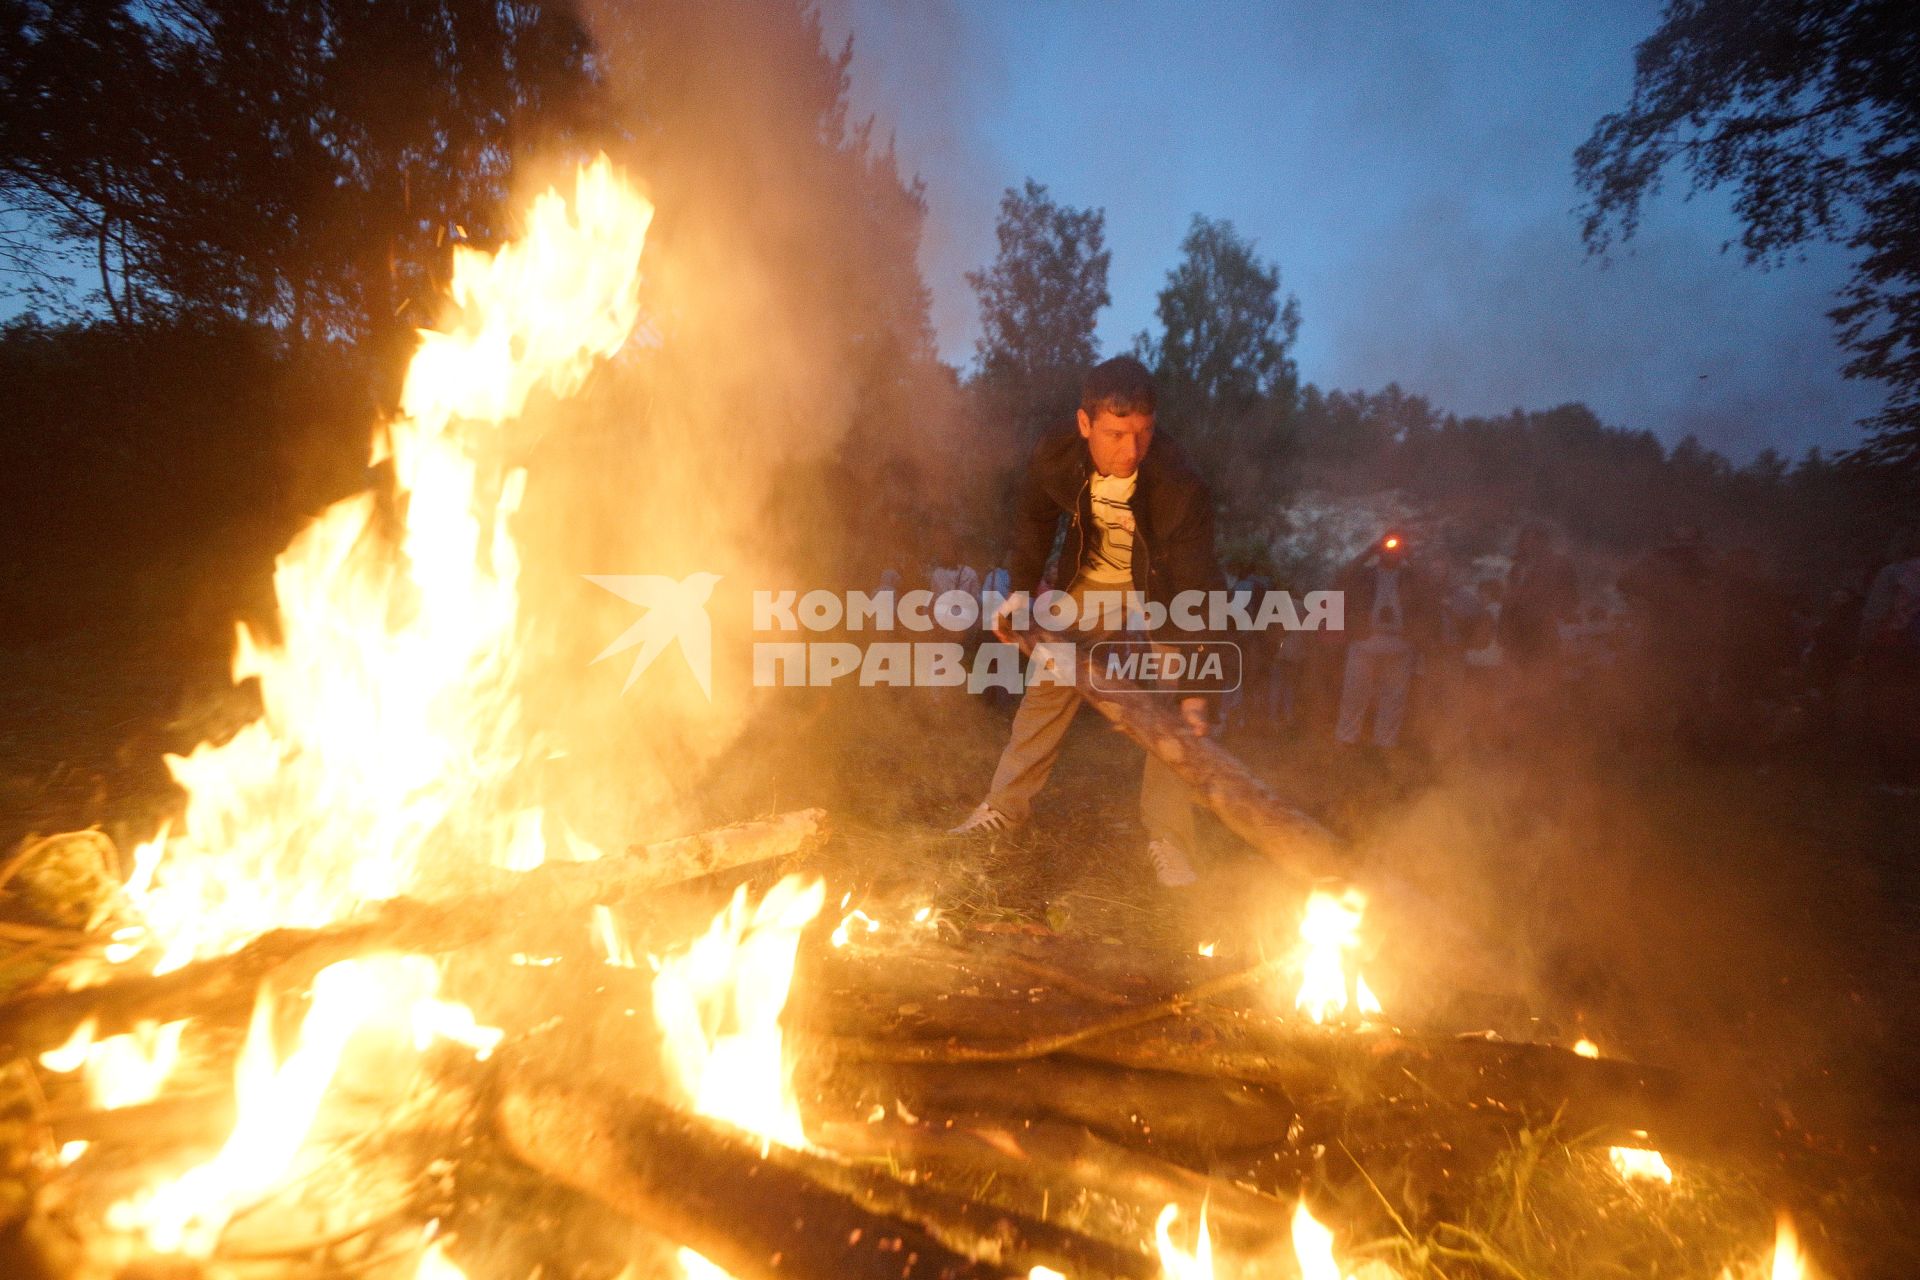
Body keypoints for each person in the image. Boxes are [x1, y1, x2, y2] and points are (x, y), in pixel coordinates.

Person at [947, 356, 1221, 888]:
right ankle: (1004, 808)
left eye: (1142, 433)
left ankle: (1168, 838)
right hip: (1094, 579)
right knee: (1051, 677)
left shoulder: (1179, 485)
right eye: (1116, 434)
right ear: (1084, 424)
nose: (1130, 450)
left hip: (1162, 586)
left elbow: (1199, 585)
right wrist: (1019, 593)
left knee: (1172, 704)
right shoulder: (1056, 454)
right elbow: (1033, 518)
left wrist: (1195, 687)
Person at [1332, 531, 1435, 749]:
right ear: (1380, 550)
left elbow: (1429, 589)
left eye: (1397, 549)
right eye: (1387, 547)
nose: (1391, 552)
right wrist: (1367, 552)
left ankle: (1385, 743)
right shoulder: (1366, 574)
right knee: (1354, 691)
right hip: (1365, 638)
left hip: (1400, 641)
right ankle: (1346, 738)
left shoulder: (1411, 576)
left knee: (1394, 696)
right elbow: (1341, 577)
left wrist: (1411, 558)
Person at [1499, 524, 1579, 672]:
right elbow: (1509, 600)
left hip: (1544, 629)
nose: (1528, 545)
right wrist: (1503, 633)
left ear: (1543, 542)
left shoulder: (1558, 564)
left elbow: (1571, 597)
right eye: (1525, 540)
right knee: (1521, 678)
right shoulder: (1517, 568)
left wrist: (1554, 614)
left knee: (1543, 676)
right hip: (1518, 631)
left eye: (1534, 540)